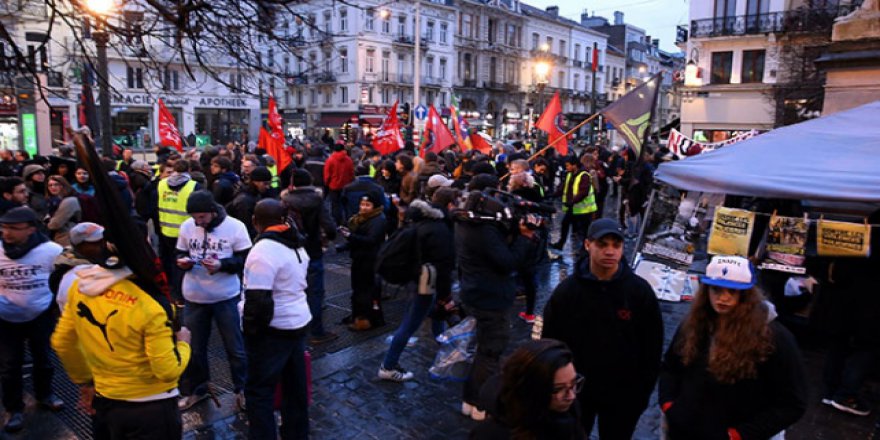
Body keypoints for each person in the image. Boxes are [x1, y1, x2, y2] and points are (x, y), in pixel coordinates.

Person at [51, 229, 192, 439]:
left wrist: (86, 383)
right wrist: (184, 344)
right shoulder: (150, 306)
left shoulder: (81, 288)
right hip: (152, 408)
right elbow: (166, 370)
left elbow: (62, 342)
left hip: (105, 401)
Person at [658, 255, 808, 439]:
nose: (723, 298)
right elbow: (671, 367)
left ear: (746, 295)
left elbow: (792, 403)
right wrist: (669, 405)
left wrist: (740, 434)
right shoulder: (693, 324)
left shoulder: (774, 337)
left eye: (732, 291)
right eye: (716, 290)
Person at [542, 218, 663, 438]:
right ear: (588, 245)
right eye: (602, 244)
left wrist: (641, 394)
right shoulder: (567, 292)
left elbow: (652, 348)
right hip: (577, 392)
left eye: (616, 245)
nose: (610, 251)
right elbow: (550, 342)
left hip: (623, 395)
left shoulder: (639, 292)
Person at [457, 178, 539, 421]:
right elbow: (507, 262)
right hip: (490, 297)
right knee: (490, 352)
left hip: (475, 291)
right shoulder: (483, 231)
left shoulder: (464, 223)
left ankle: (470, 399)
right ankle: (480, 404)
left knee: (484, 351)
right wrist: (524, 238)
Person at [241, 199, 312, 440]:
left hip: (273, 329)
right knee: (294, 387)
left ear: (255, 221)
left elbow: (258, 301)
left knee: (259, 391)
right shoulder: (295, 243)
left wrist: (251, 333)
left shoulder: (263, 251)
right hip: (297, 321)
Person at [175, 191, 251, 411]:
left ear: (213, 211)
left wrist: (222, 265)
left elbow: (245, 259)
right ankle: (196, 390)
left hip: (225, 296)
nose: (198, 222)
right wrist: (183, 262)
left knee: (235, 348)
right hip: (194, 296)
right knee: (193, 348)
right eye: (195, 218)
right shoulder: (187, 226)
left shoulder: (235, 227)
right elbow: (178, 252)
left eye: (202, 218)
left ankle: (242, 389)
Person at [0, 207, 65, 433]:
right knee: (9, 365)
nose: (7, 233)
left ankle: (45, 394)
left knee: (44, 359)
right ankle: (14, 408)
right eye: (4, 227)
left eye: (14, 229)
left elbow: (60, 280)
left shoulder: (51, 251)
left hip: (40, 315)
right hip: (6, 318)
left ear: (30, 229)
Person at [378, 199, 455, 382]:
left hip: (415, 279)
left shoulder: (416, 226)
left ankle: (442, 342)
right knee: (410, 324)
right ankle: (388, 365)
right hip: (427, 282)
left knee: (428, 314)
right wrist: (445, 295)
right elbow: (445, 265)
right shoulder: (439, 230)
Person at [470, 339, 587, 440]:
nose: (572, 396)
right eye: (558, 389)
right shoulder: (492, 435)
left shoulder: (568, 412)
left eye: (574, 383)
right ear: (532, 390)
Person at [281, 169, 338, 345]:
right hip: (312, 250)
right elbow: (329, 225)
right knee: (315, 292)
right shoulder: (317, 200)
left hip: (291, 250)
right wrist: (330, 237)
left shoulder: (284, 201)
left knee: (292, 290)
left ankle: (294, 328)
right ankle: (316, 331)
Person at [341, 193, 386, 331]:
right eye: (362, 204)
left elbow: (371, 240)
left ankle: (366, 319)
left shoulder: (378, 220)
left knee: (365, 291)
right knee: (358, 289)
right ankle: (357, 315)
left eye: (367, 205)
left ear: (375, 206)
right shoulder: (362, 219)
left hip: (369, 260)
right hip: (360, 258)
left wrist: (350, 236)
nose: (364, 207)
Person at [551, 156, 597, 253]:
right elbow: (563, 187)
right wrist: (553, 195)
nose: (566, 167)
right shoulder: (570, 174)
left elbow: (583, 192)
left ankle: (585, 249)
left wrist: (571, 202)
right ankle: (560, 244)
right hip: (573, 207)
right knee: (565, 224)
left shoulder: (584, 175)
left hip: (584, 209)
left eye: (567, 165)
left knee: (583, 231)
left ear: (574, 165)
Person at [227, 166, 276, 239]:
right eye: (265, 184)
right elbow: (245, 226)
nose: (268, 187)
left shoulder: (256, 195)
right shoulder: (244, 201)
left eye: (269, 184)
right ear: (255, 182)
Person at [44, 175, 82, 247]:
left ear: (63, 185)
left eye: (56, 184)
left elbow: (55, 224)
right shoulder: (53, 201)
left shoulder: (69, 201)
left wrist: (48, 222)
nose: (53, 187)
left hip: (67, 237)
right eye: (50, 185)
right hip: (60, 236)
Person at [323, 142, 354, 225]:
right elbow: (351, 173)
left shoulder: (330, 160)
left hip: (334, 186)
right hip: (346, 186)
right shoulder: (348, 159)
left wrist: (326, 183)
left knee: (335, 205)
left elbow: (327, 175)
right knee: (346, 204)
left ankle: (337, 222)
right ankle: (348, 220)